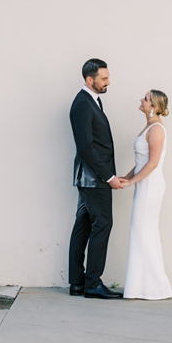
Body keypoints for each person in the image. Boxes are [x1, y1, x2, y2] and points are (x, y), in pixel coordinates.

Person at [68, 58, 125, 299]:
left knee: (83, 226)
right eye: (104, 78)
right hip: (94, 179)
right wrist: (108, 176)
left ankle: (78, 283)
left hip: (89, 179)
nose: (108, 82)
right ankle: (92, 283)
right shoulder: (82, 104)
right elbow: (86, 147)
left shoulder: (91, 101)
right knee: (102, 225)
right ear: (89, 79)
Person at [120, 90, 172, 300]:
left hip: (151, 185)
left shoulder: (157, 129)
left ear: (155, 107)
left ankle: (154, 287)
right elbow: (141, 162)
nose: (141, 100)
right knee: (141, 232)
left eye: (145, 99)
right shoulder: (149, 126)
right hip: (144, 184)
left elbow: (152, 163)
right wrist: (127, 177)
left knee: (143, 231)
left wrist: (133, 181)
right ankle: (141, 286)